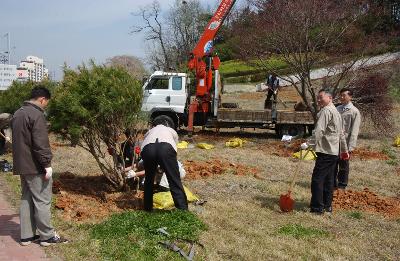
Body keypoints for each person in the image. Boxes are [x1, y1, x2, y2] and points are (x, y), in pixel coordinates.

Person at [11, 86, 68, 246]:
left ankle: (27, 236)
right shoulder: (36, 115)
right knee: (43, 200)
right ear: (42, 99)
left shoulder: (18, 113)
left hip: (22, 165)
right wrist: (47, 164)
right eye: (46, 103)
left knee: (26, 199)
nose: (45, 106)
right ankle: (47, 236)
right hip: (35, 166)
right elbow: (40, 143)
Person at [308, 89, 348, 215]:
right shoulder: (336, 111)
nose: (318, 100)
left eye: (321, 97)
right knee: (329, 180)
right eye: (317, 98)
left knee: (317, 179)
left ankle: (317, 208)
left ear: (330, 97)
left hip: (326, 151)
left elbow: (319, 131)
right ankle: (327, 205)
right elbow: (341, 134)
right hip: (334, 152)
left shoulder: (326, 111)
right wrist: (344, 150)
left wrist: (308, 144)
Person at [140, 119, 188, 211]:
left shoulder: (150, 131)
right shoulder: (171, 130)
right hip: (166, 148)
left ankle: (147, 208)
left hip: (148, 149)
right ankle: (182, 209)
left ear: (154, 125)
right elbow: (174, 148)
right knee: (174, 179)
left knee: (149, 180)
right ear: (167, 125)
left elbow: (145, 141)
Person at [335, 88, 361, 189]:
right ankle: (332, 183)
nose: (342, 97)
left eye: (344, 95)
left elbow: (355, 130)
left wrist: (351, 147)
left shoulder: (354, 111)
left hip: (345, 143)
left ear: (350, 97)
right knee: (333, 163)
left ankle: (342, 184)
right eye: (341, 95)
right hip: (335, 141)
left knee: (343, 164)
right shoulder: (337, 109)